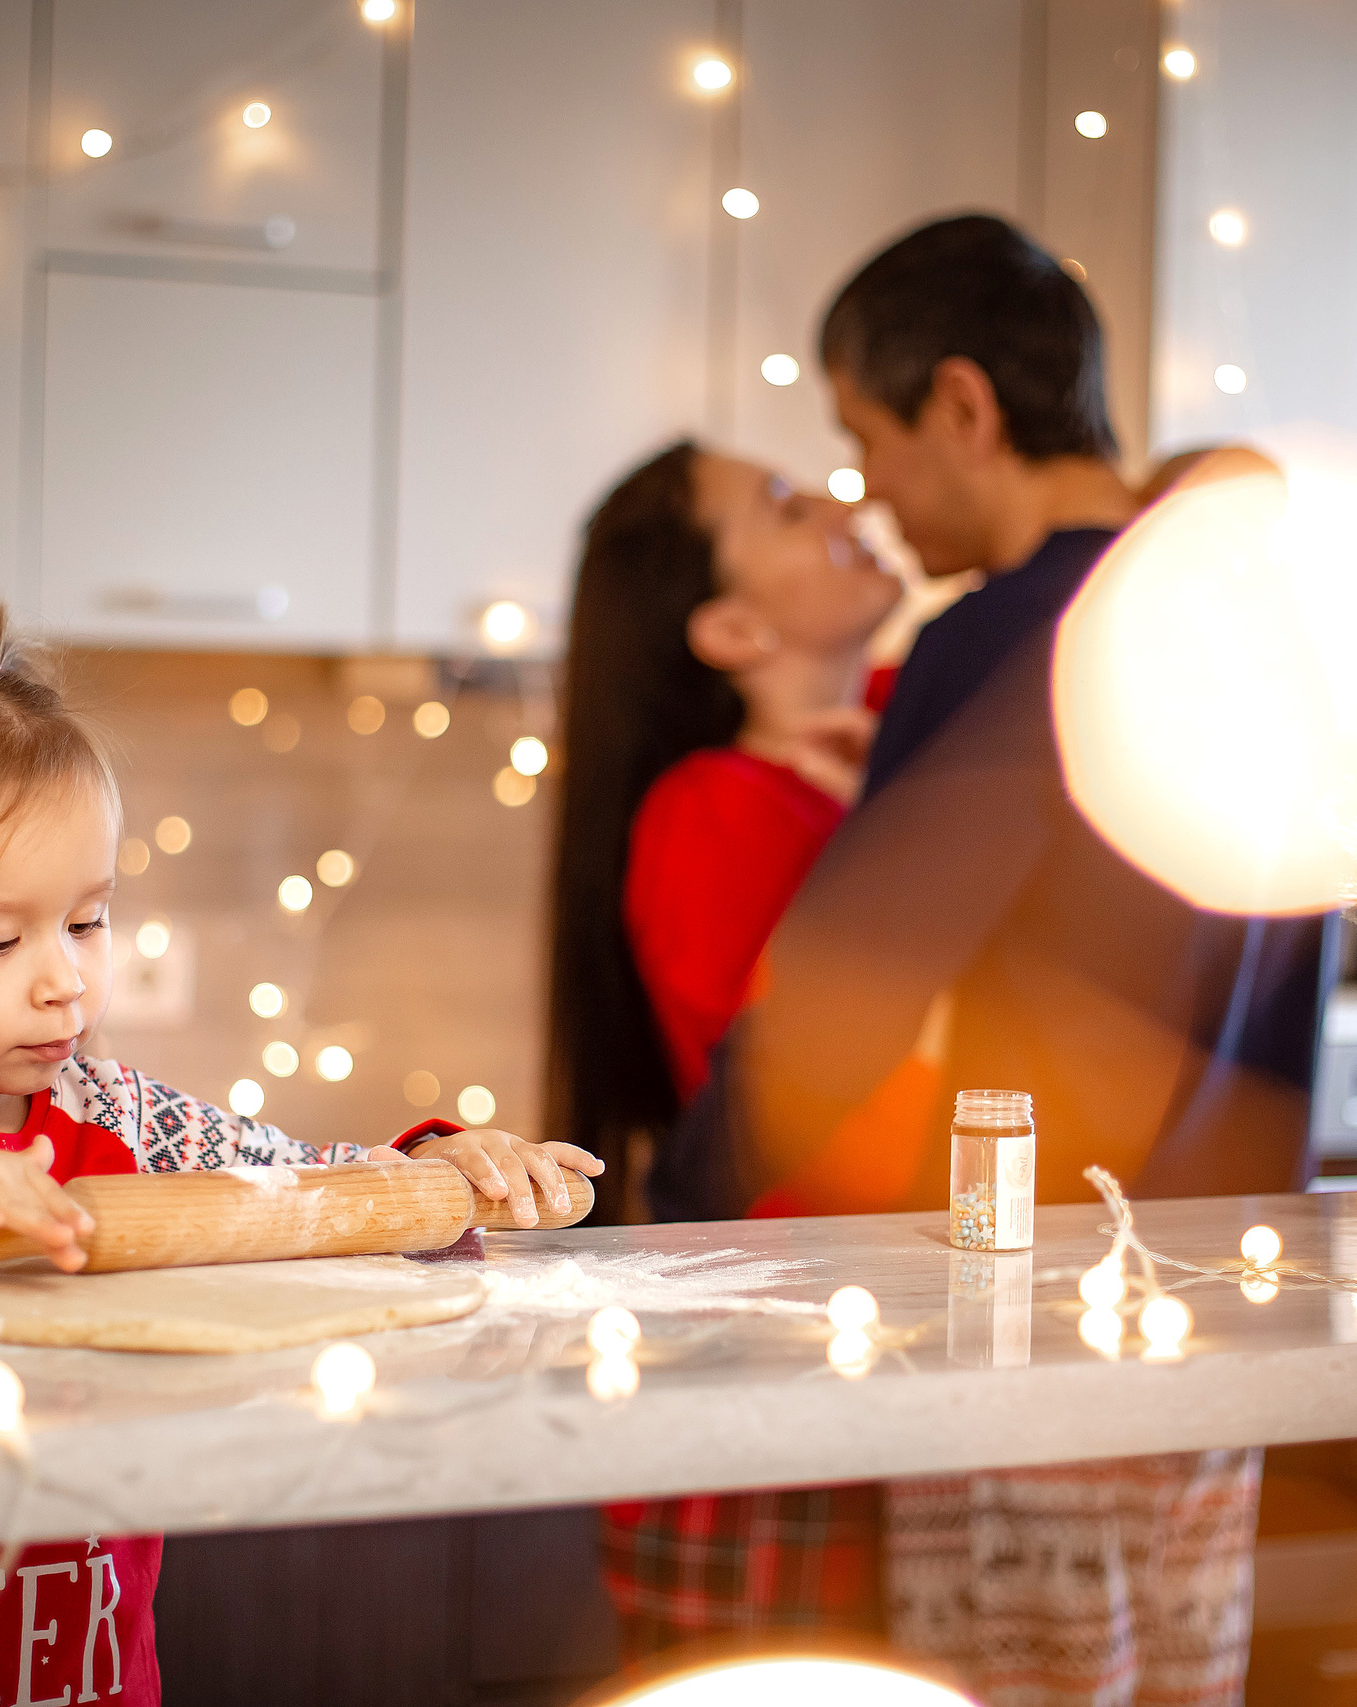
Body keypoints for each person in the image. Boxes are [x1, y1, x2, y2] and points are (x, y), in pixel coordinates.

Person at [0, 627, 601, 1707]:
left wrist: (440, 1167)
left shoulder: (119, 1115)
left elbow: (300, 1190)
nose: (63, 981)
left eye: (87, 921)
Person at [673, 214, 1330, 1705]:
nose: (874, 495)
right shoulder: (1253, 636)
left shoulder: (1008, 632)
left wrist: (641, 1230)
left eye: (868, 437)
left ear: (963, 407)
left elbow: (833, 1016)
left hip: (1027, 1329)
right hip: (1227, 1326)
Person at [546, 442, 901, 1659]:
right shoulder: (715, 812)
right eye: (782, 504)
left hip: (862, 1373)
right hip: (783, 1400)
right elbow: (815, 1125)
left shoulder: (914, 715)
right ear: (735, 629)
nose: (836, 502)